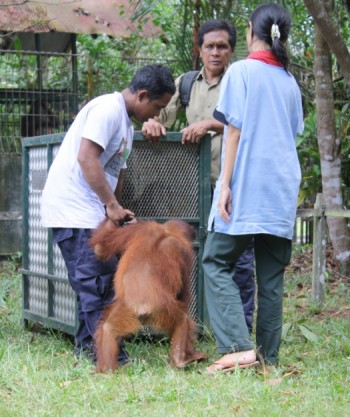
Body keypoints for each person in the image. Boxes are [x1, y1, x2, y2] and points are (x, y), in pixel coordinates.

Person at [40, 64, 175, 363]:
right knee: (97, 285)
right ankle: (108, 355)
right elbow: (87, 158)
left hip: (91, 211)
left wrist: (116, 209)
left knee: (100, 283)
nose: (157, 115)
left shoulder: (124, 123)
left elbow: (115, 171)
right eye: (157, 107)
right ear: (142, 95)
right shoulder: (107, 110)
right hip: (73, 211)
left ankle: (88, 348)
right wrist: (110, 206)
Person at [203, 3, 304, 373]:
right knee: (272, 278)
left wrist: (224, 185)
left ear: (249, 31)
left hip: (246, 184)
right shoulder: (290, 81)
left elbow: (234, 131)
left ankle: (236, 347)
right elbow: (291, 134)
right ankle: (267, 360)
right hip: (281, 189)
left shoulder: (241, 72)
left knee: (215, 261)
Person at [142, 19, 255, 332]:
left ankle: (240, 329)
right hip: (190, 188)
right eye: (210, 46)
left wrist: (208, 123)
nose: (215, 52)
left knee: (237, 259)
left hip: (231, 185)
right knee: (183, 254)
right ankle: (186, 324)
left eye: (222, 46)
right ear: (199, 50)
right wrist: (151, 123)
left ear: (232, 50)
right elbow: (156, 111)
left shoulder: (241, 79)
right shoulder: (186, 83)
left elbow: (249, 120)